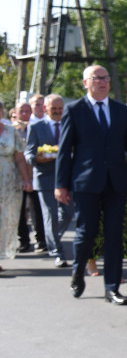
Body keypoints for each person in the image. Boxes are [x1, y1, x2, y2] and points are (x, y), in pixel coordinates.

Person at [55, 65, 127, 304]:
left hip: (117, 182)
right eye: (97, 78)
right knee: (87, 232)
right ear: (86, 83)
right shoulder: (74, 110)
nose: (103, 82)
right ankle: (78, 271)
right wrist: (60, 184)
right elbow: (64, 151)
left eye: (105, 78)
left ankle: (112, 287)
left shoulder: (121, 110)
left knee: (114, 234)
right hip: (86, 182)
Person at [25, 94, 72, 267]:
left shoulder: (68, 124)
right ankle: (57, 252)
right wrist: (38, 157)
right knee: (50, 215)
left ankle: (51, 237)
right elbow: (28, 154)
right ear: (45, 108)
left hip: (66, 178)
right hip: (45, 177)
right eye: (54, 109)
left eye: (61, 109)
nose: (58, 112)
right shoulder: (36, 127)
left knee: (68, 213)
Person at [0, 101, 34, 271]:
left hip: (9, 181)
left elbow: (20, 158)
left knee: (7, 218)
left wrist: (26, 179)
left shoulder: (11, 132)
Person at [14, 101, 46, 254]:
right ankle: (23, 240)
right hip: (16, 174)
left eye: (28, 111)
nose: (25, 114)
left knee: (36, 208)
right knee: (19, 209)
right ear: (16, 111)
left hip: (34, 172)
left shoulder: (38, 126)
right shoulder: (11, 129)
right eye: (22, 111)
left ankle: (40, 240)